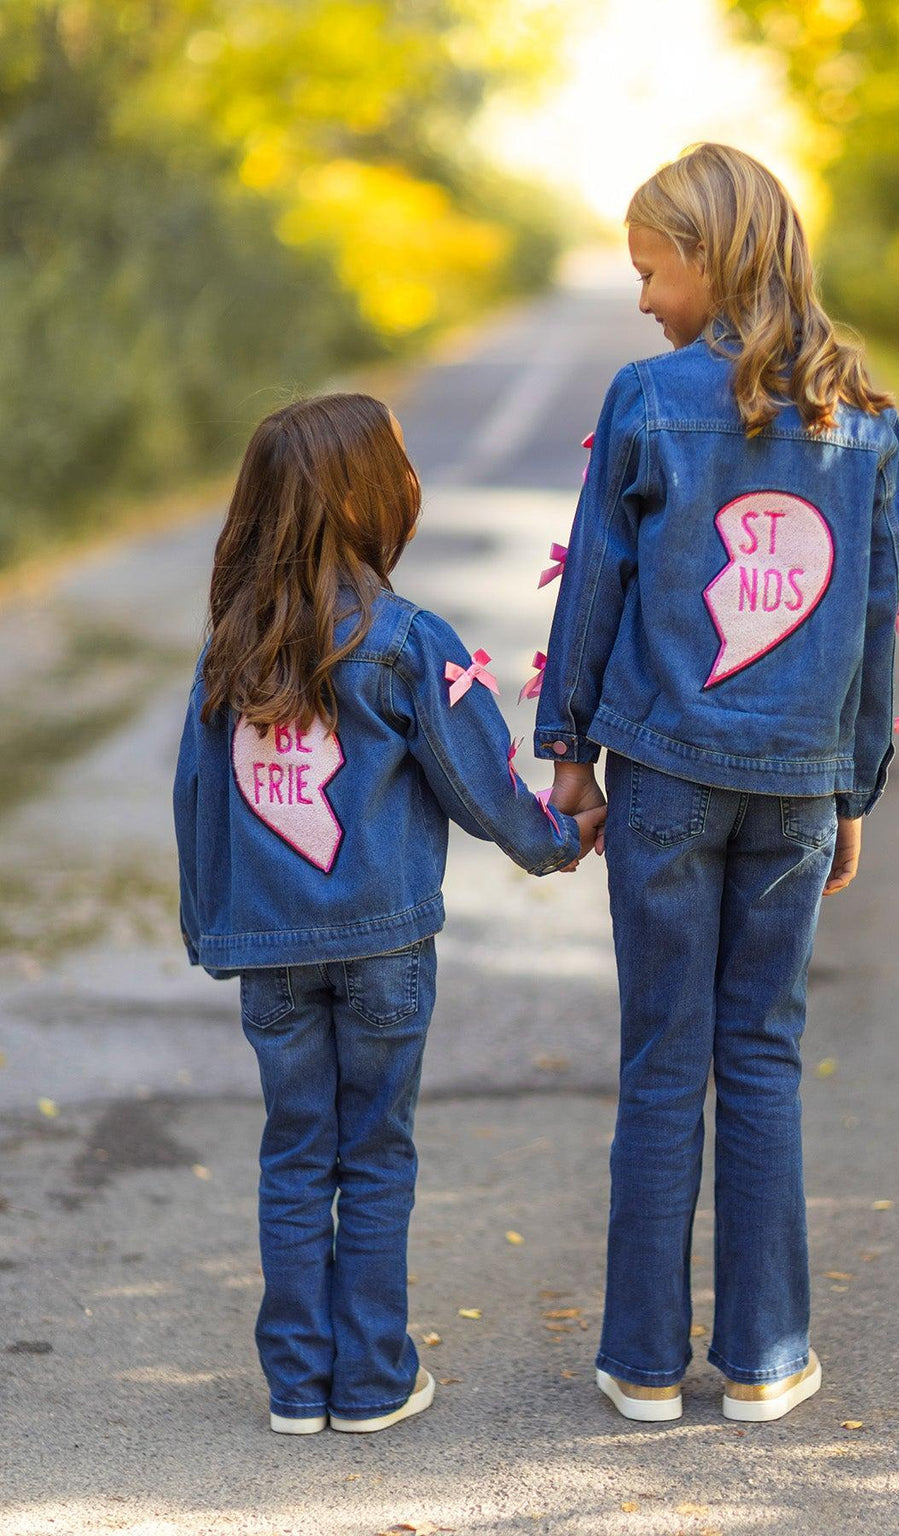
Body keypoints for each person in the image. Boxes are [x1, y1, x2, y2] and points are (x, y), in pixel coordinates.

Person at [535, 143, 899, 1423]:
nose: (642, 299)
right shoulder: (866, 417)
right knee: (761, 1055)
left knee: (661, 1063)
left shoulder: (646, 402)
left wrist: (569, 754)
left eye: (650, 270)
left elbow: (593, 590)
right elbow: (866, 625)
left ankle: (643, 1363)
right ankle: (763, 1359)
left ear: (709, 255)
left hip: (665, 781)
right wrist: (851, 790)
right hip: (795, 789)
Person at [173, 393, 604, 1435]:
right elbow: (474, 775)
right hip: (383, 948)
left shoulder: (232, 645)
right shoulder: (406, 639)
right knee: (374, 1153)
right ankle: (368, 1379)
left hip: (270, 950)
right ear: (373, 499)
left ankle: (294, 1386)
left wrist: (209, 927)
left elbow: (197, 794)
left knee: (294, 1153)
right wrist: (553, 841)